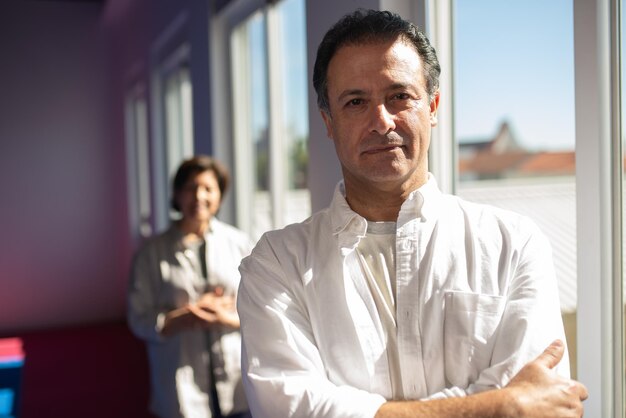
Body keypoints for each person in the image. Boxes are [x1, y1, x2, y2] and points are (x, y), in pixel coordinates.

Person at [236, 9, 588, 418]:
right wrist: (498, 404)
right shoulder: (277, 264)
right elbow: (292, 411)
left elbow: (541, 406)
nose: (380, 121)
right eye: (355, 102)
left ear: (434, 106)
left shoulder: (513, 244)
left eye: (399, 96)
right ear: (328, 122)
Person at [128, 155, 253, 418]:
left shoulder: (240, 243)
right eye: (190, 188)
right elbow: (138, 319)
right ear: (176, 194)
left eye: (208, 188)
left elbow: (260, 307)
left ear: (219, 195)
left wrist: (225, 317)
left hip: (238, 384)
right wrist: (183, 318)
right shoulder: (151, 253)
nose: (199, 196)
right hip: (181, 389)